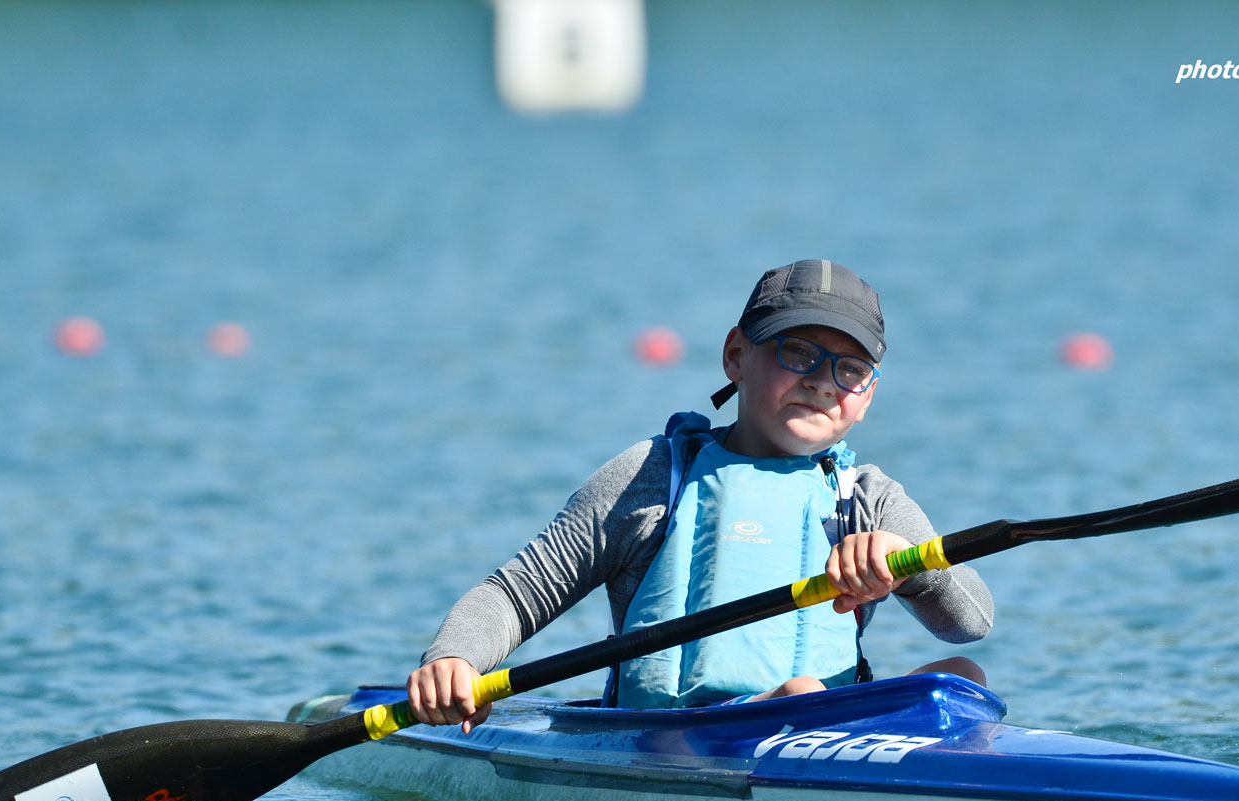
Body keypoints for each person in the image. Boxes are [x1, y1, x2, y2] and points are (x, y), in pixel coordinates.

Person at [408, 259, 993, 731]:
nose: (820, 381)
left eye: (850, 370)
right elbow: (516, 593)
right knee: (800, 692)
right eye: (797, 353)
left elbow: (972, 619)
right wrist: (455, 661)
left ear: (866, 398)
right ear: (736, 355)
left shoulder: (867, 499)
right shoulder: (652, 476)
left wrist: (911, 564)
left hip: (825, 724)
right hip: (669, 741)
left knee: (964, 675)